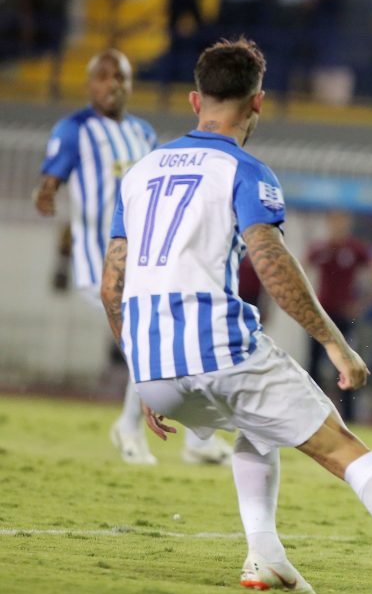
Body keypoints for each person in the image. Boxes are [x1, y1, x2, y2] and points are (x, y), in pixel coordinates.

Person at [98, 38, 372, 594]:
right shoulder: (244, 170)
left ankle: (265, 556)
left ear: (196, 101)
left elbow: (112, 286)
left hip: (153, 366)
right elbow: (271, 262)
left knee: (255, 427)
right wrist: (336, 344)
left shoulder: (139, 172)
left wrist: (147, 372)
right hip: (220, 349)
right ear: (258, 103)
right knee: (344, 449)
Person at [32, 48, 230, 467]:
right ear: (90, 84)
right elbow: (50, 182)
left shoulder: (142, 133)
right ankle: (132, 427)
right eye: (104, 76)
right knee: (149, 342)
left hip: (143, 263)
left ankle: (196, 439)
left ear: (130, 84)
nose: (113, 84)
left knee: (181, 338)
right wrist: (46, 195)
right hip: (97, 265)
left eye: (120, 76)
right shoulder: (74, 129)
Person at [305, 210, 372, 422]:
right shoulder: (321, 248)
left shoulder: (355, 249)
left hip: (344, 316)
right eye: (334, 222)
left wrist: (362, 305)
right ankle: (312, 415)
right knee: (313, 364)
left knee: (346, 365)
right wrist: (308, 303)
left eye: (342, 222)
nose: (338, 227)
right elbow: (299, 271)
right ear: (329, 224)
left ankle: (348, 417)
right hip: (321, 317)